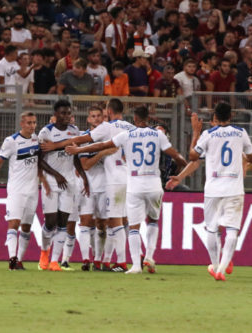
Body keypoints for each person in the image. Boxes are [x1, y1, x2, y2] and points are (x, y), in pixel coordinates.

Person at [67, 105, 187, 274]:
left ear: (135, 118)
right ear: (148, 118)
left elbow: (99, 146)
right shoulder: (157, 134)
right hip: (153, 184)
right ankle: (149, 257)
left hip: (132, 184)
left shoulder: (126, 134)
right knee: (152, 221)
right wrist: (181, 174)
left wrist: (78, 149)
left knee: (130, 226)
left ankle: (128, 264)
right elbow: (176, 156)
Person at [41, 98, 135, 272]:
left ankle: (120, 262)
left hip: (113, 180)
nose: (99, 118)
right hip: (127, 178)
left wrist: (61, 146)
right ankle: (103, 260)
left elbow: (87, 140)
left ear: (108, 111)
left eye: (101, 114)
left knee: (114, 222)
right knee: (113, 221)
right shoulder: (131, 128)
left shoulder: (107, 128)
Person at [170, 102, 252, 281]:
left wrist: (195, 133)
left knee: (212, 229)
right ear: (231, 116)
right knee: (232, 230)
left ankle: (215, 265)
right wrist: (246, 159)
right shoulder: (241, 133)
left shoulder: (208, 135)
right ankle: (221, 270)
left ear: (215, 117)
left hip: (213, 189)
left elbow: (193, 157)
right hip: (234, 188)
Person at [0, 111, 67, 270]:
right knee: (14, 223)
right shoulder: (11, 141)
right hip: (16, 190)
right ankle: (12, 258)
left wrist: (44, 182)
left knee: (26, 227)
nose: (32, 126)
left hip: (32, 190)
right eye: (29, 123)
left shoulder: (35, 140)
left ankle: (18, 260)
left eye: (34, 123)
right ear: (22, 124)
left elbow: (37, 163)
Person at [37, 99, 89, 272]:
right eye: (63, 113)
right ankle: (44, 252)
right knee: (50, 221)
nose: (67, 116)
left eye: (69, 113)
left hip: (69, 182)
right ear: (55, 115)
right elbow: (39, 160)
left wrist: (84, 177)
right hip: (52, 181)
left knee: (63, 222)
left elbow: (75, 156)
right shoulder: (46, 132)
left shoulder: (74, 131)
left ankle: (54, 261)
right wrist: (56, 174)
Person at [77, 106, 117, 271]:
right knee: (86, 222)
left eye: (99, 116)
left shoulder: (110, 137)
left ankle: (98, 260)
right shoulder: (84, 138)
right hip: (87, 185)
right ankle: (86, 259)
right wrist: (101, 153)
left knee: (103, 224)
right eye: (93, 116)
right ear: (88, 119)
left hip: (106, 185)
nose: (96, 119)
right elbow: (85, 165)